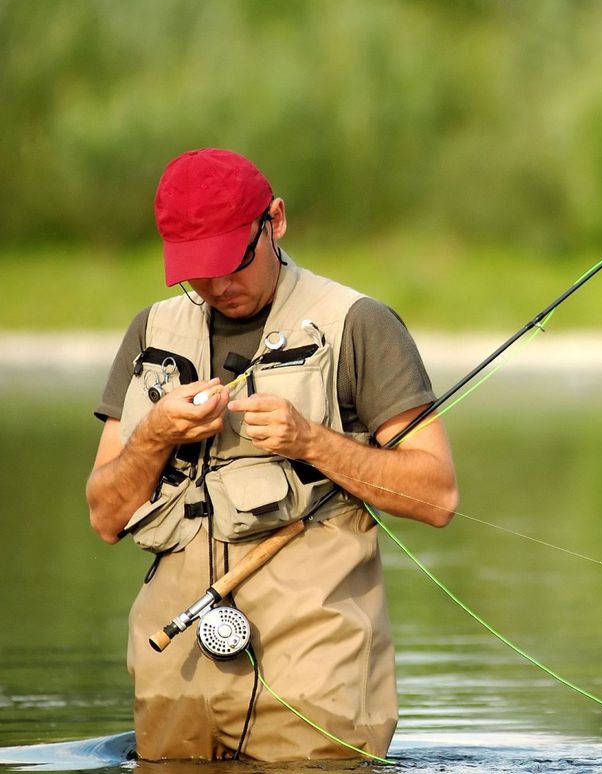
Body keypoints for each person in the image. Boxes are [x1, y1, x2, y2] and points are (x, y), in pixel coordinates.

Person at [85, 148, 458, 762]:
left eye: (232, 262)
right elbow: (104, 517)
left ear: (275, 221)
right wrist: (153, 433)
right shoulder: (149, 332)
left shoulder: (360, 324)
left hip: (316, 683)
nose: (219, 287)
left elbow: (438, 495)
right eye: (196, 272)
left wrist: (311, 441)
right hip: (172, 673)